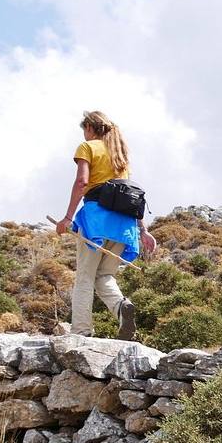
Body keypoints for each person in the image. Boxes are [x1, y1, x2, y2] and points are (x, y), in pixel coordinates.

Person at [56, 111, 156, 340]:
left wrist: (68, 217)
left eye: (85, 130)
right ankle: (121, 308)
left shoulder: (87, 147)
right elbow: (130, 195)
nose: (85, 135)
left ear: (90, 128)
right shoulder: (119, 156)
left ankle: (81, 331)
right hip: (125, 226)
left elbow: (82, 182)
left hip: (96, 222)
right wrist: (144, 230)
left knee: (85, 277)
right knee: (104, 275)